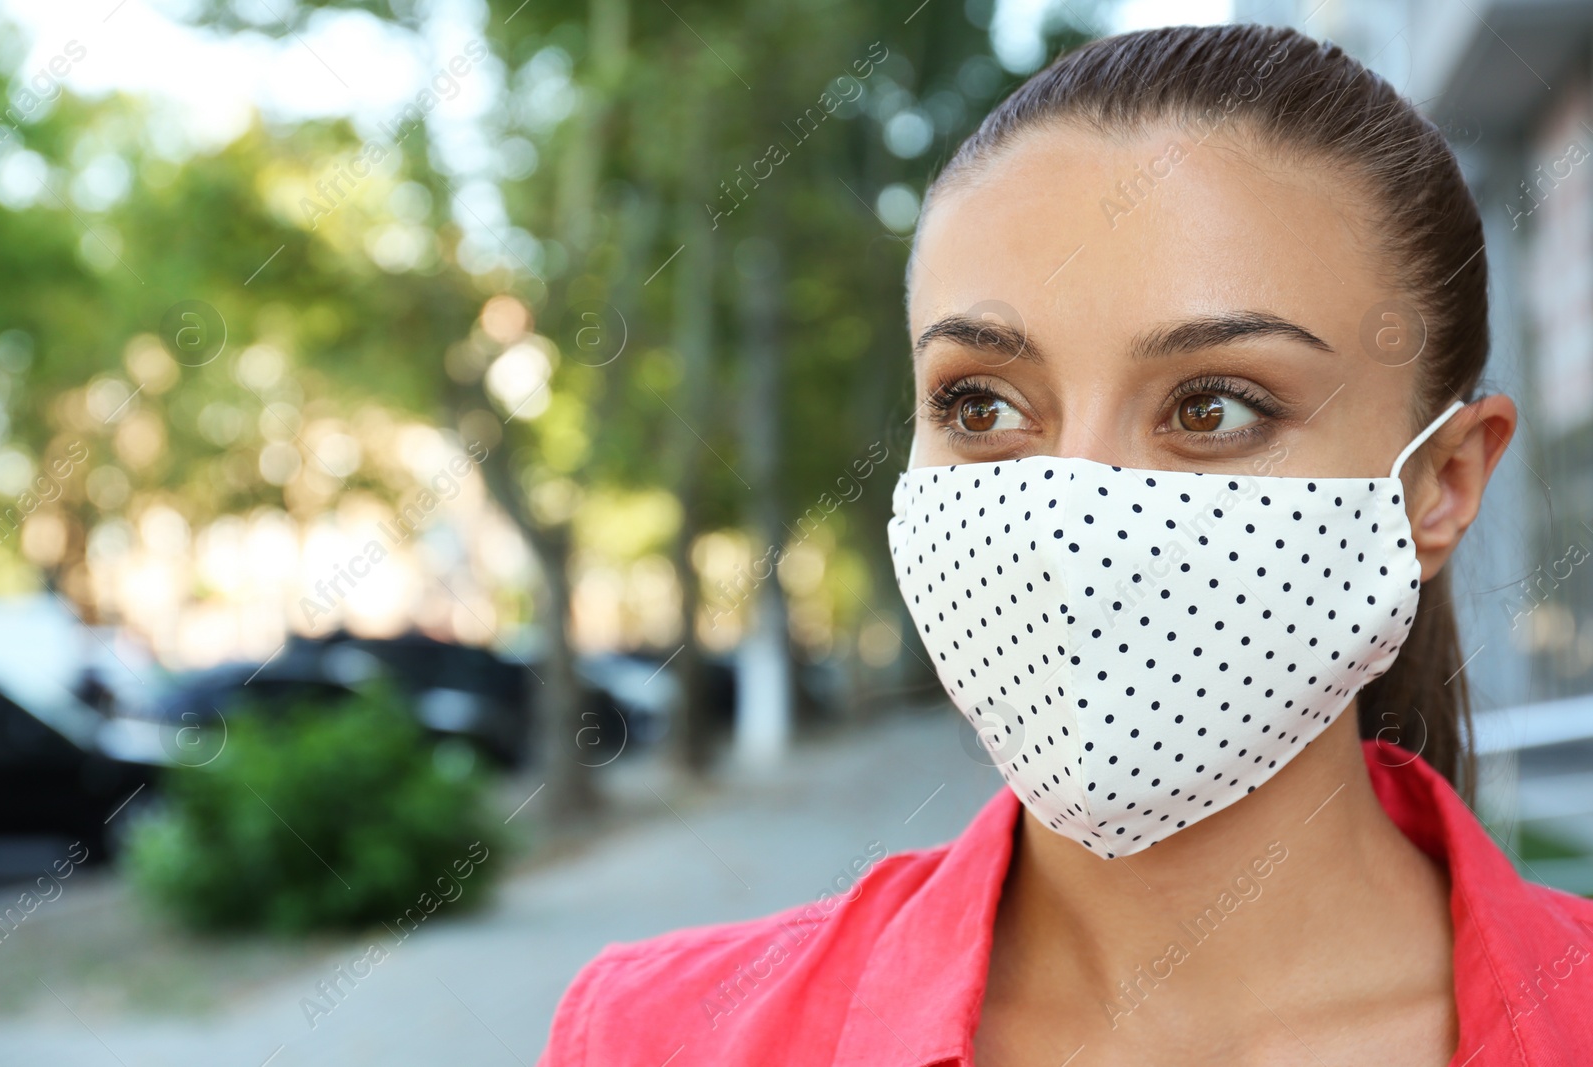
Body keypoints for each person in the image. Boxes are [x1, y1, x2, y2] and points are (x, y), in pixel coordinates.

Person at [539, 23, 1593, 1065]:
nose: (1071, 525)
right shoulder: (659, 1036)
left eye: (1214, 408)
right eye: (983, 406)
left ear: (1440, 485)